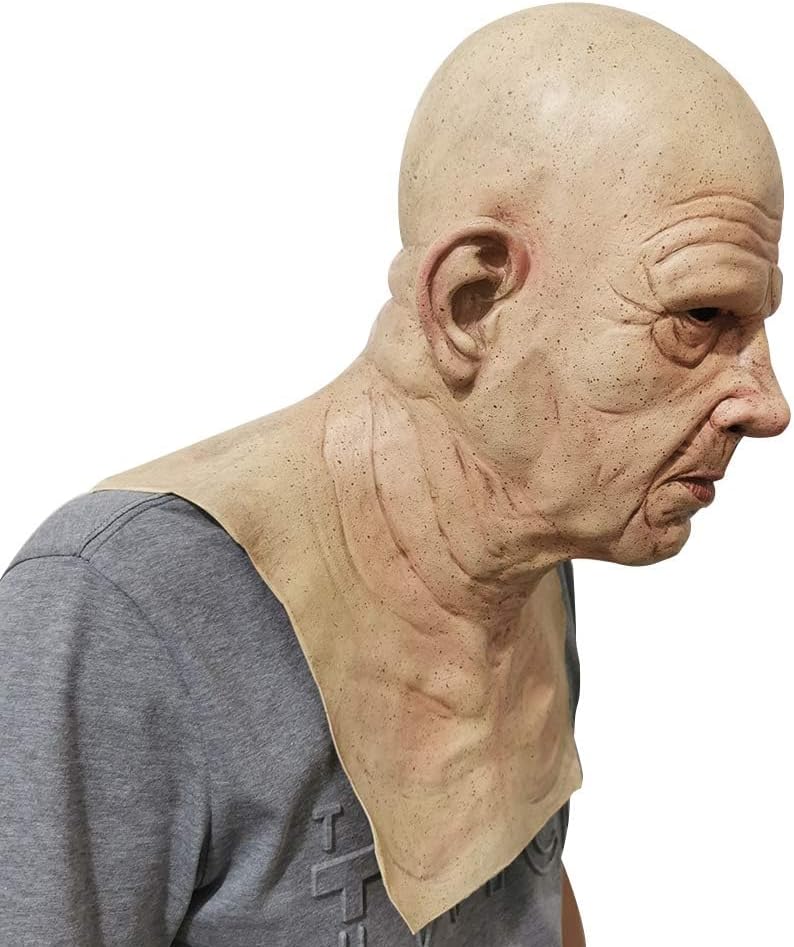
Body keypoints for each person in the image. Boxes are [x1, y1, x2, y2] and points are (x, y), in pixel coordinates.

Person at [1, 4, 787, 945]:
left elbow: (529, 881)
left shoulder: (527, 538)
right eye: (700, 318)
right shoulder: (116, 612)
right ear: (470, 302)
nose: (767, 404)